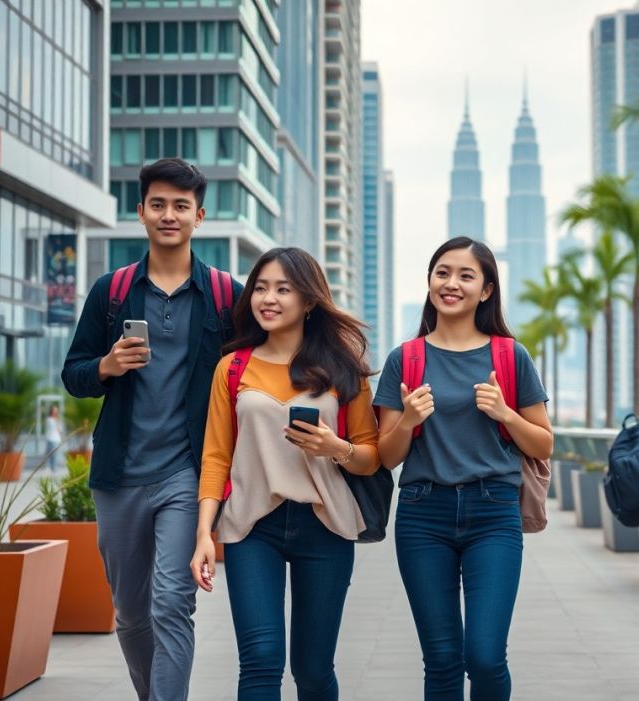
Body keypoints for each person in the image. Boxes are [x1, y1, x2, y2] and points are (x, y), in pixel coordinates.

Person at [61, 158, 242, 701]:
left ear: (199, 215)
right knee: (131, 613)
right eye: (158, 204)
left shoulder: (226, 295)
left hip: (185, 474)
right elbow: (73, 375)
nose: (169, 215)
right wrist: (106, 367)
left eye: (181, 206)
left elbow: (253, 371)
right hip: (117, 475)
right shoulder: (111, 291)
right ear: (140, 212)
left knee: (171, 604)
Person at [191, 247, 382, 701]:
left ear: (309, 300)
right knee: (260, 661)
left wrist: (336, 448)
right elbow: (216, 456)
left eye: (283, 289)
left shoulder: (343, 367)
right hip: (252, 528)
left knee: (313, 670)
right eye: (260, 288)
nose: (268, 298)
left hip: (326, 526)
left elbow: (371, 456)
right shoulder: (232, 367)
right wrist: (204, 532)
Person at [373, 236, 553, 700]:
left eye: (465, 275)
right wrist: (408, 421)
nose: (451, 284)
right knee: (442, 660)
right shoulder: (405, 358)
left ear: (486, 290)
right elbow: (386, 456)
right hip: (421, 514)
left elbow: (544, 442)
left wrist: (506, 414)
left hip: (493, 513)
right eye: (442, 273)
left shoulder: (510, 356)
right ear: (430, 281)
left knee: (486, 656)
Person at [44, 404, 62, 472]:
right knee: (50, 454)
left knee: (54, 454)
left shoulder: (58, 420)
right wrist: (56, 421)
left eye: (56, 410)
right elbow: (52, 428)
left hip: (56, 439)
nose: (55, 411)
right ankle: (51, 467)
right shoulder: (49, 419)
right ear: (51, 411)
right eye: (54, 410)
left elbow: (60, 429)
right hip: (51, 439)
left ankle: (53, 468)